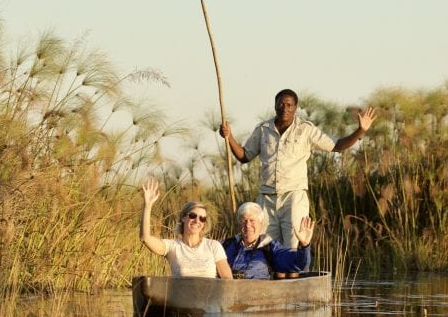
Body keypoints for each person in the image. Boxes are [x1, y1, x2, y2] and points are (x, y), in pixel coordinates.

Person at [220, 88, 376, 248]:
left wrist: (360, 130)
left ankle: (293, 272)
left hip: (293, 197)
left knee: (292, 245)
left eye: (289, 105)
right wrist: (229, 136)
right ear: (275, 105)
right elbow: (244, 156)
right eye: (281, 104)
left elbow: (337, 145)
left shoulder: (305, 129)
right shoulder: (262, 129)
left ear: (295, 107)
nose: (284, 108)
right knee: (265, 247)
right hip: (267, 199)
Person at [140, 179, 233, 279]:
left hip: (208, 295)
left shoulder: (213, 246)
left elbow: (228, 280)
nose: (197, 221)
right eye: (193, 216)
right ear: (183, 217)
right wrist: (148, 206)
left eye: (202, 218)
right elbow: (145, 238)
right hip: (181, 294)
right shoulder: (172, 246)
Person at [222, 201, 313, 279]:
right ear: (239, 223)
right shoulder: (226, 245)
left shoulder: (270, 248)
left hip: (258, 296)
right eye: (244, 220)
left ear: (261, 224)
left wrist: (304, 246)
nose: (247, 225)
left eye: (252, 220)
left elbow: (299, 264)